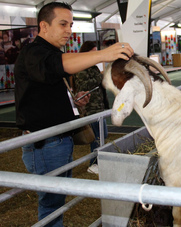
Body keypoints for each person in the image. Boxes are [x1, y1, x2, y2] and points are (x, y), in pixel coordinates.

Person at [14, 2, 133, 226]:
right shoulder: (34, 52)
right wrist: (103, 54)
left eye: (70, 24)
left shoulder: (48, 53)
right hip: (45, 144)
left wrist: (74, 98)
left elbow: (45, 88)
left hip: (57, 142)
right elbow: (57, 64)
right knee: (51, 205)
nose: (69, 30)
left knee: (55, 203)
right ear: (44, 26)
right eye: (62, 24)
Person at [72, 41, 109, 175]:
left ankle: (98, 162)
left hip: (98, 107)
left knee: (102, 136)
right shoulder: (82, 68)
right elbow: (83, 87)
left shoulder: (92, 67)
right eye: (93, 52)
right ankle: (93, 164)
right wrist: (100, 77)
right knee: (96, 137)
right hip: (90, 109)